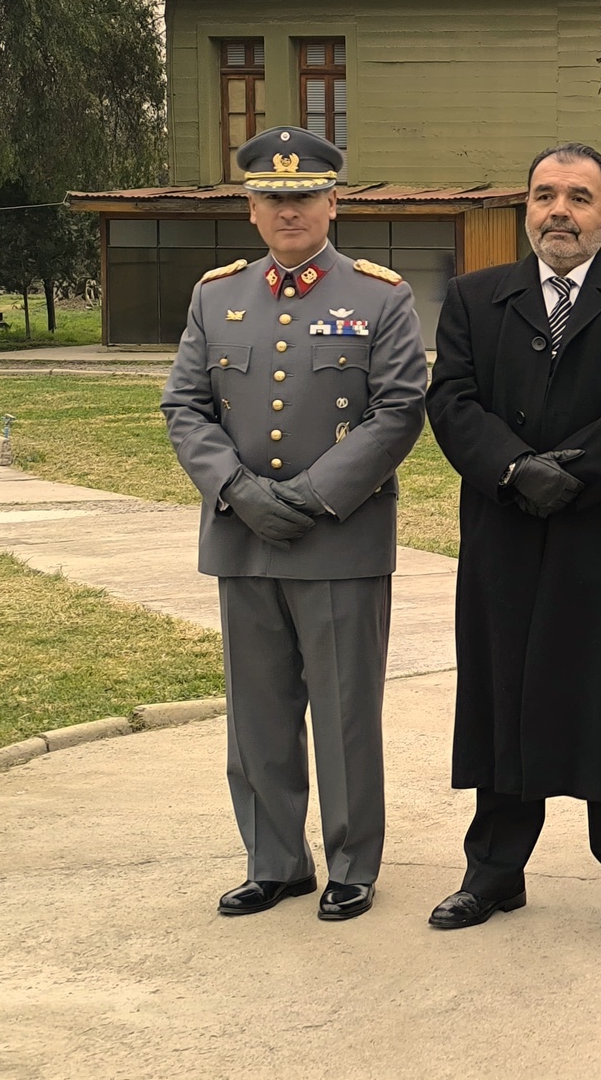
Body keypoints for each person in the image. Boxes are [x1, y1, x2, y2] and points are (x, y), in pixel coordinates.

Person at [424, 142, 601, 940]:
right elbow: (452, 399)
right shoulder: (476, 299)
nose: (559, 212)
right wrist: (514, 468)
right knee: (504, 697)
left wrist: (571, 474)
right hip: (505, 532)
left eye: (579, 198)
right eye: (545, 196)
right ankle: (494, 873)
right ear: (526, 209)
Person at [161, 127, 428, 922]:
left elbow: (399, 409)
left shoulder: (381, 297)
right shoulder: (216, 296)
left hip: (339, 539)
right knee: (258, 714)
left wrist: (312, 498)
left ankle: (352, 863)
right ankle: (274, 860)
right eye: (274, 198)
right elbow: (185, 405)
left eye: (305, 196)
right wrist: (236, 491)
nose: (290, 211)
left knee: (345, 713)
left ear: (333, 202)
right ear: (250, 207)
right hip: (242, 539)